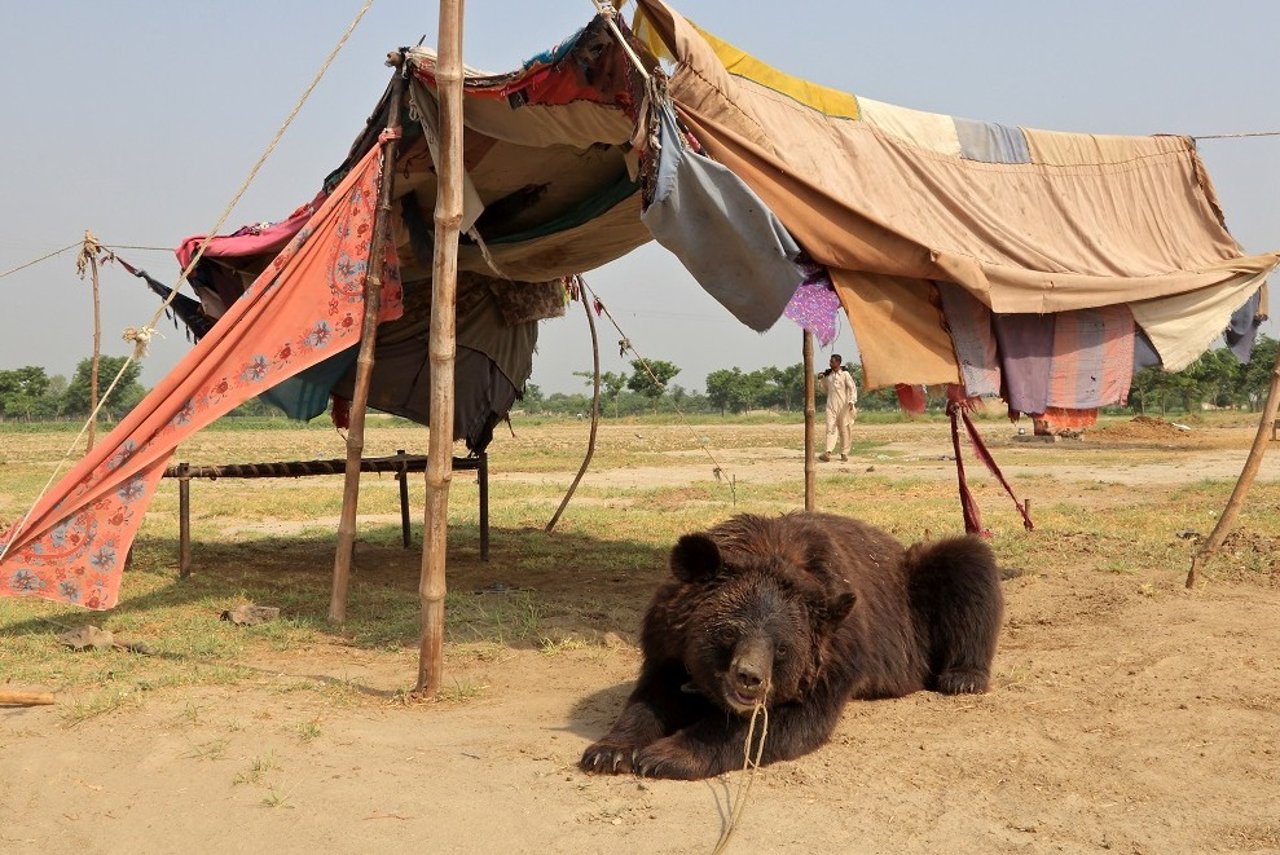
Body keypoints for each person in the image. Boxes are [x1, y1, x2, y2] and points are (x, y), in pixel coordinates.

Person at [818, 354, 857, 462]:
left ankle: (844, 453)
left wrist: (851, 401)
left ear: (838, 363)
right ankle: (828, 452)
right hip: (831, 406)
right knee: (830, 428)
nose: (830, 363)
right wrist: (821, 380)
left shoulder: (845, 374)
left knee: (844, 429)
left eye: (832, 362)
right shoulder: (829, 376)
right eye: (830, 361)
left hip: (844, 406)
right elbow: (824, 390)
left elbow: (852, 388)